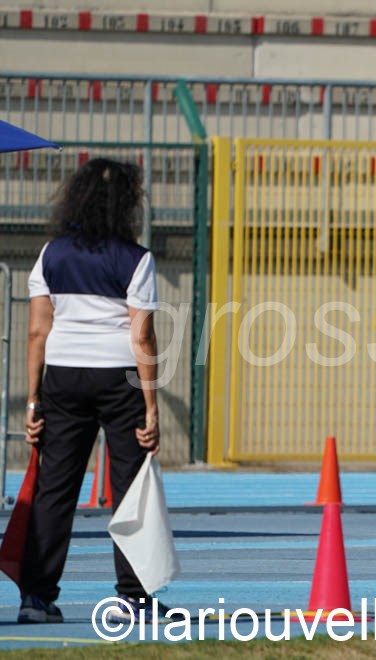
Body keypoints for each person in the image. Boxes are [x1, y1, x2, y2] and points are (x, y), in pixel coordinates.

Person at [20, 158, 165, 623]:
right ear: (127, 204)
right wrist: (151, 406)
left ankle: (36, 597)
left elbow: (37, 332)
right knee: (129, 488)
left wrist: (33, 400)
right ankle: (132, 597)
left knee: (55, 488)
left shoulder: (50, 254)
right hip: (119, 378)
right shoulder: (136, 258)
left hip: (63, 377)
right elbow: (143, 338)